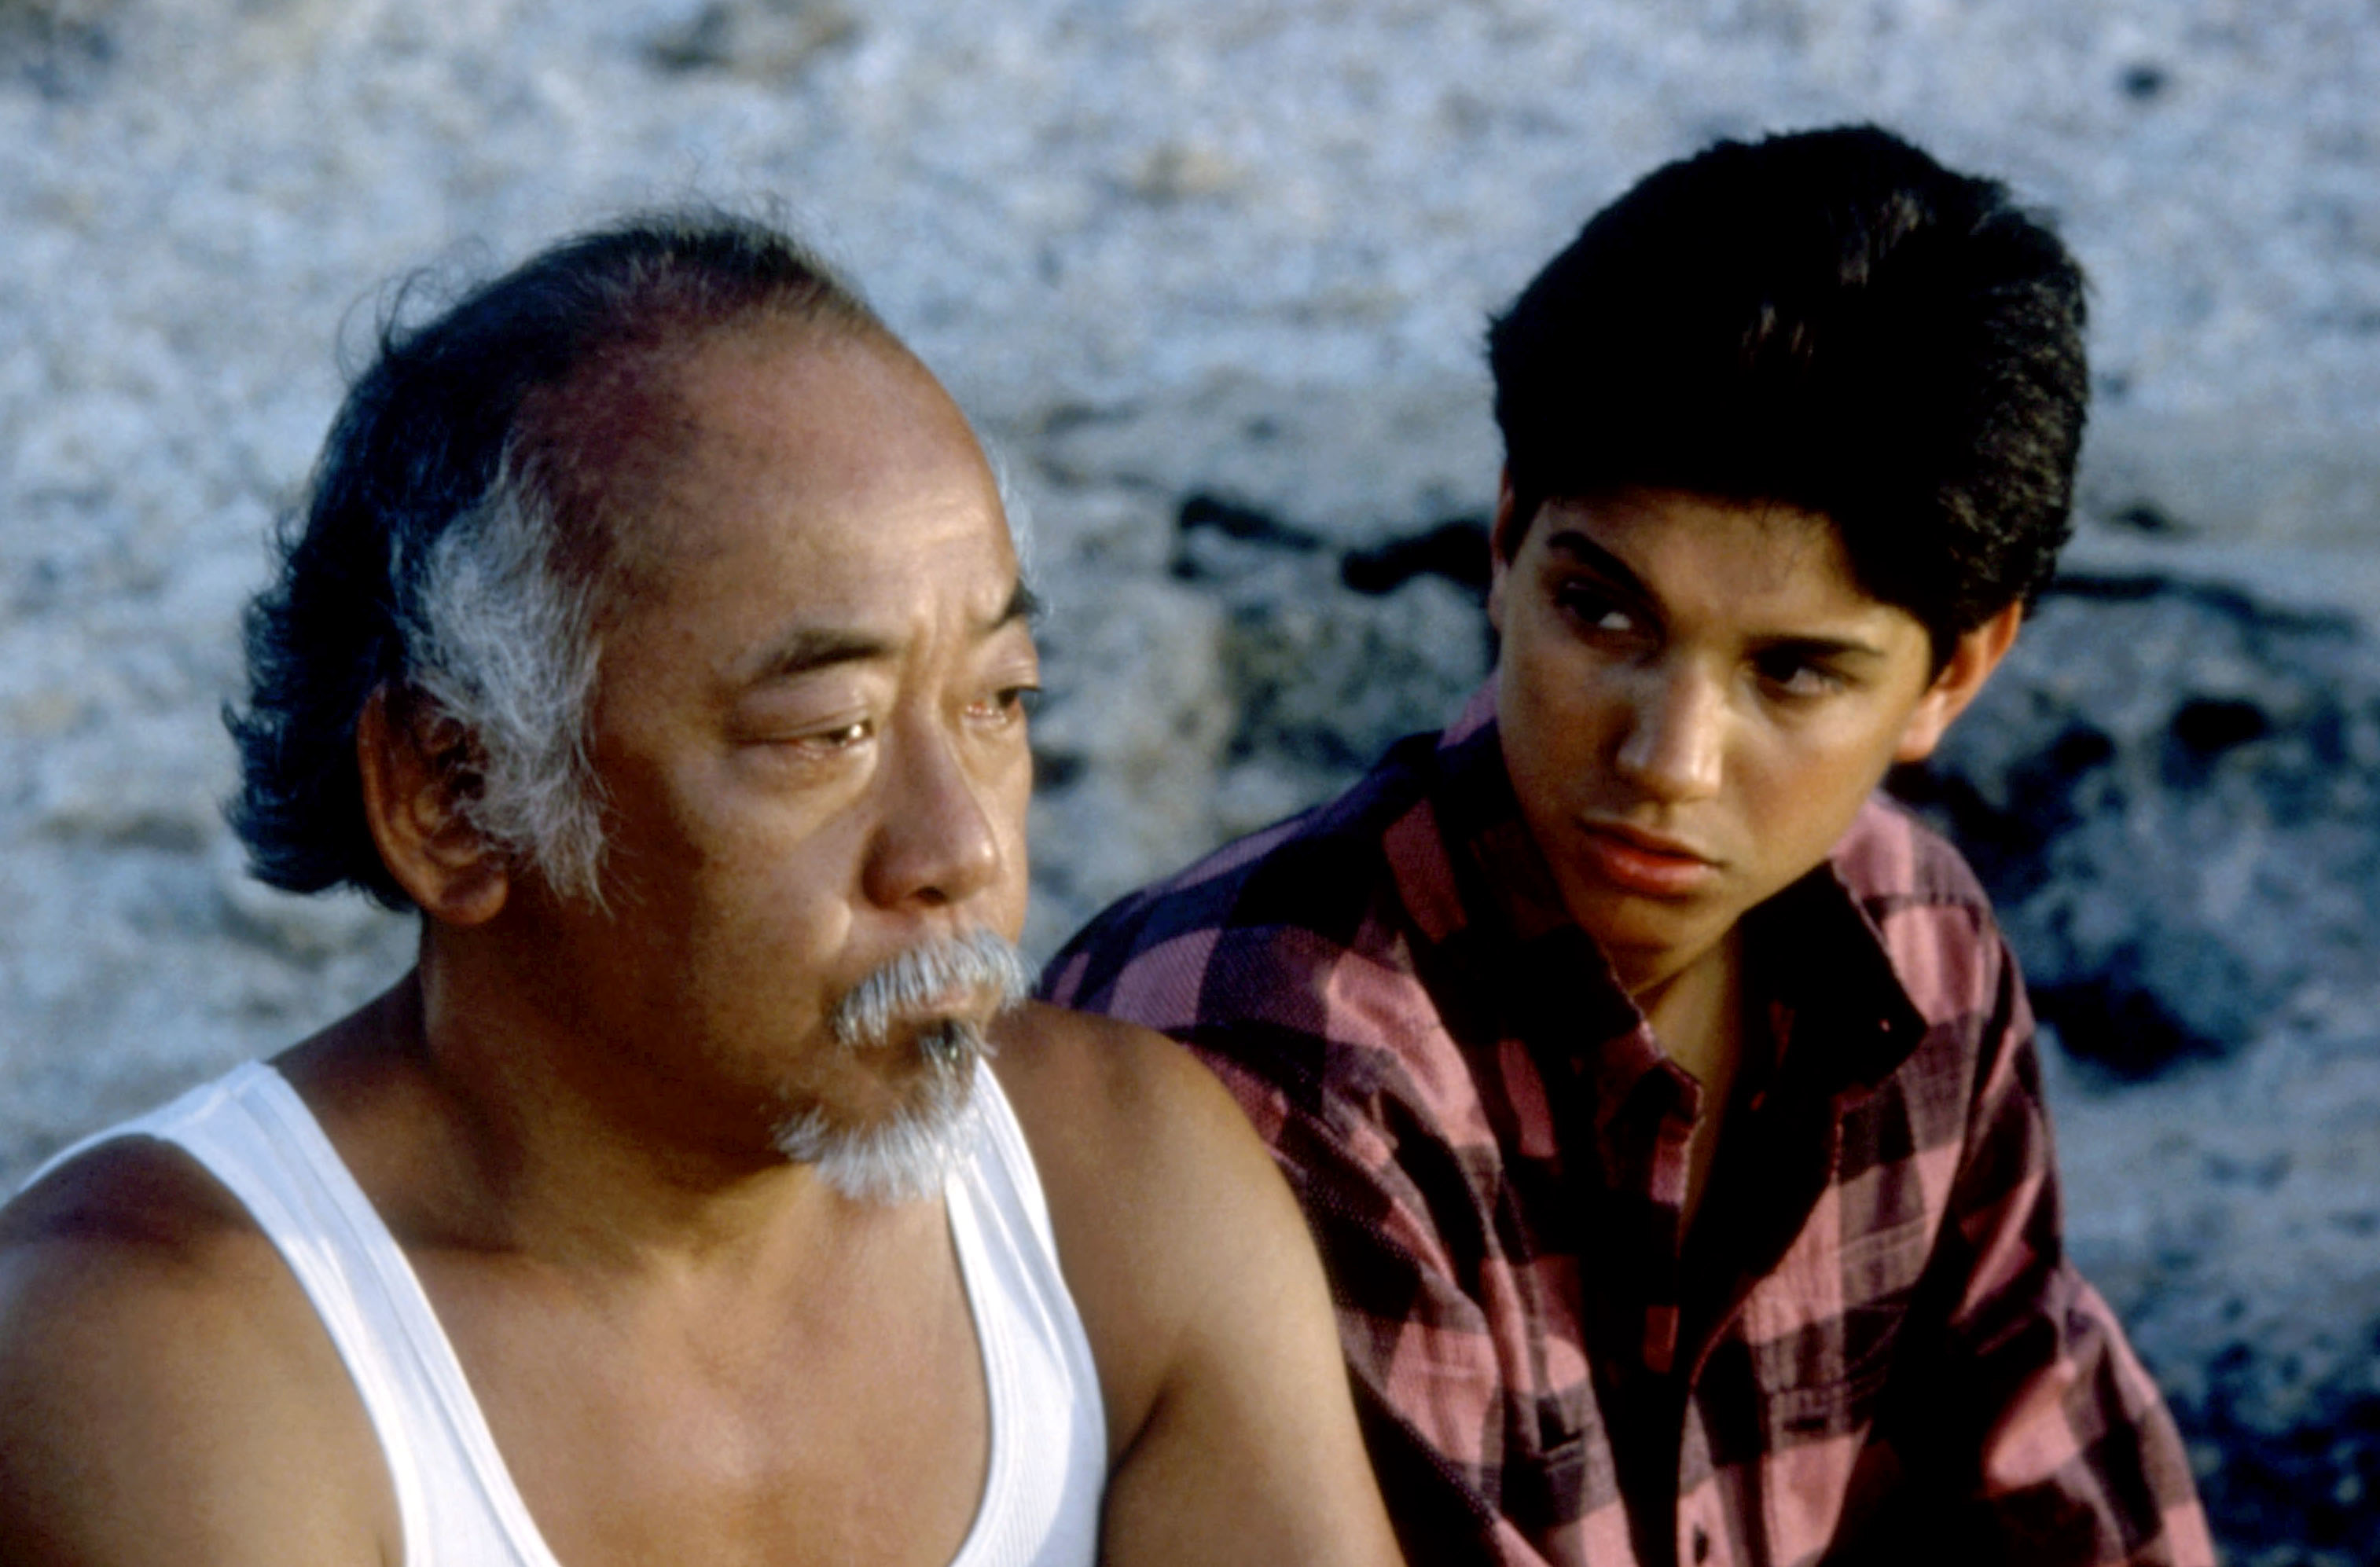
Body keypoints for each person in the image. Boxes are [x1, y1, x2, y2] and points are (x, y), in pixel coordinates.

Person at [0, 211, 1403, 1567]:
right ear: (455, 796)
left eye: (998, 703)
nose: (959, 848)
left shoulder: (1123, 1194)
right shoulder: (161, 1357)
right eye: (824, 734)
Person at [1041, 127, 2216, 1567]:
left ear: (1957, 676)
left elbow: (2062, 1488)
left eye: (1792, 674)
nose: (1669, 761)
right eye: (1603, 614)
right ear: (1505, 542)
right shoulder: (1270, 1063)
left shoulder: (1919, 943)